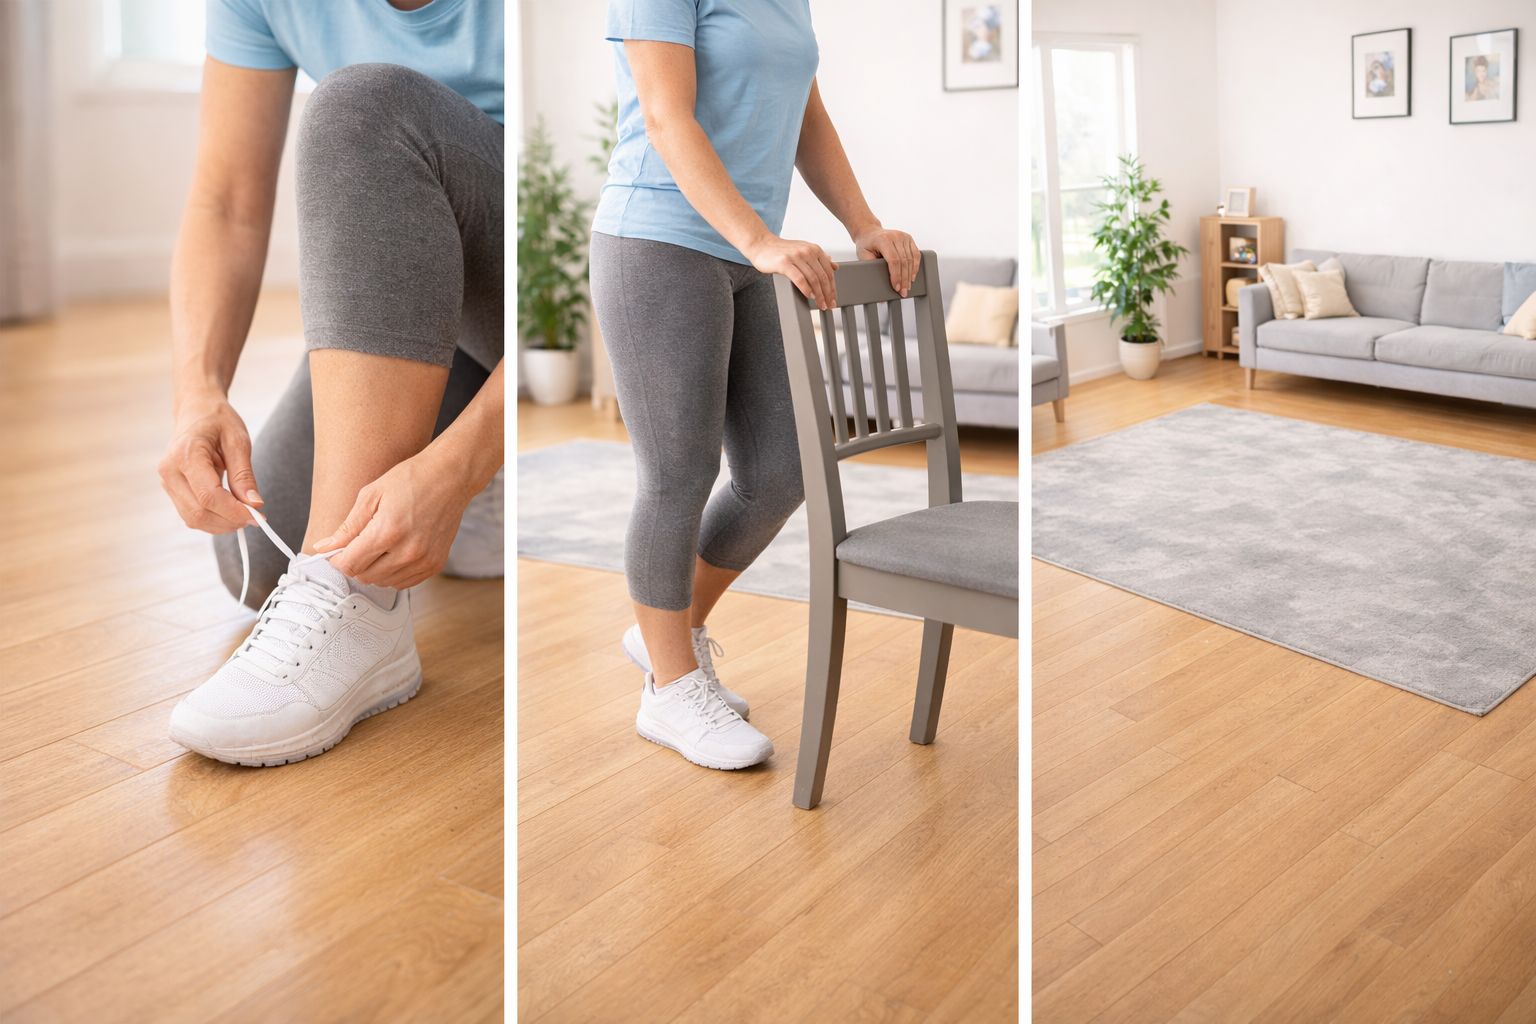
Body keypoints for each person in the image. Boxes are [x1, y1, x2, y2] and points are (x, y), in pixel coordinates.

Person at [159, 0, 505, 766]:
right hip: (424, 294)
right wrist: (198, 392)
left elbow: (624, 232)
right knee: (255, 557)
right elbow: (226, 201)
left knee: (365, 105)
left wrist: (460, 466)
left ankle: (363, 610)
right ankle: (449, 483)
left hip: (531, 277)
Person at [590, 0, 921, 771]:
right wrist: (761, 240)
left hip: (750, 253)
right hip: (658, 240)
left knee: (782, 469)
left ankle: (665, 633)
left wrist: (861, 223)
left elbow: (807, 120)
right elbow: (666, 118)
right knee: (677, 473)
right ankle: (670, 689)